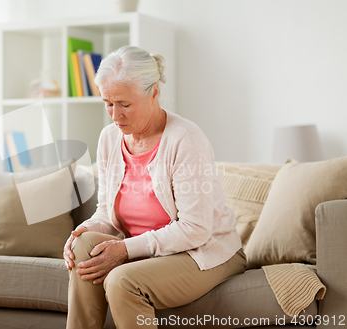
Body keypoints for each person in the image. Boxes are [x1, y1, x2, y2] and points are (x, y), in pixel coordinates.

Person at [63, 45, 246, 329]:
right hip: (147, 251)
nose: (115, 115)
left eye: (124, 104)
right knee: (84, 245)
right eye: (108, 103)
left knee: (122, 281)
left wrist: (124, 250)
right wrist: (82, 231)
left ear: (154, 93)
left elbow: (196, 229)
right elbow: (105, 213)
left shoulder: (185, 139)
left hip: (203, 252)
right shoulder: (109, 138)